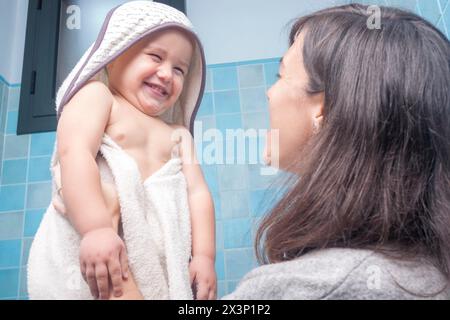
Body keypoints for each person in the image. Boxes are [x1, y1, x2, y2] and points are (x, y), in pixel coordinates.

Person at [224, 4, 450, 299]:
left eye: (280, 76)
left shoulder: (303, 288)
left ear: (323, 110)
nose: (270, 92)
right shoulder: (429, 270)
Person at [28, 1, 216, 300]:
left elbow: (198, 194)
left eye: (180, 69)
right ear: (114, 57)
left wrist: (204, 257)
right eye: (155, 56)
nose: (167, 74)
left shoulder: (179, 135)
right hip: (105, 240)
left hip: (155, 263)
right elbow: (74, 153)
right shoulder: (100, 98)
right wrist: (96, 229)